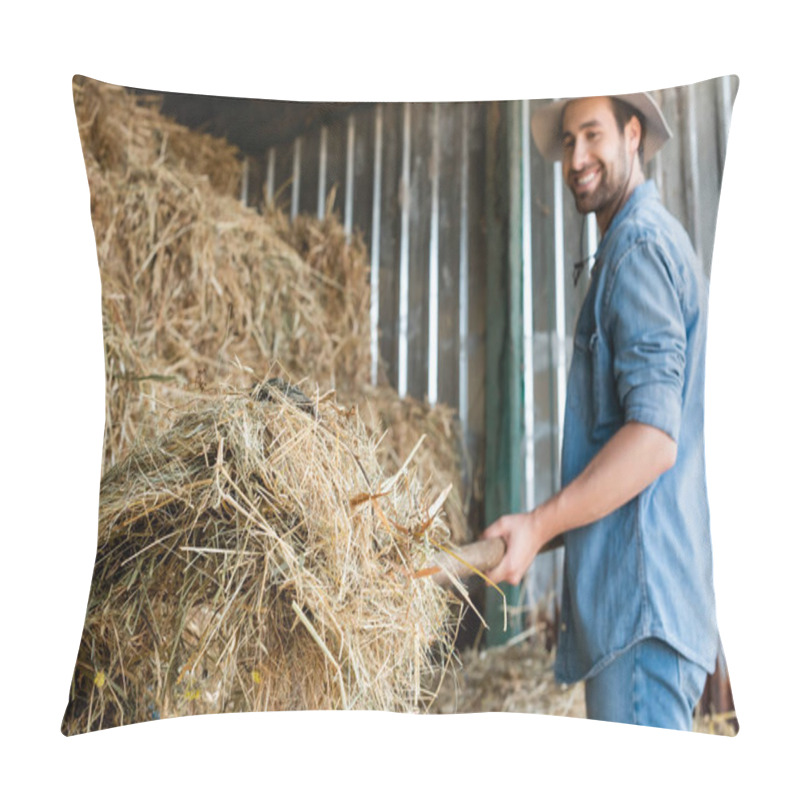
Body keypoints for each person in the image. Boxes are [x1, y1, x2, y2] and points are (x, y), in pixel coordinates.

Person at [481, 93, 719, 731]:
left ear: (632, 134)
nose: (577, 157)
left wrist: (541, 520)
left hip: (639, 613)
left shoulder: (637, 248)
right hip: (645, 611)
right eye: (567, 142)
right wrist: (534, 531)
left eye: (593, 135)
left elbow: (652, 441)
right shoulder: (636, 242)